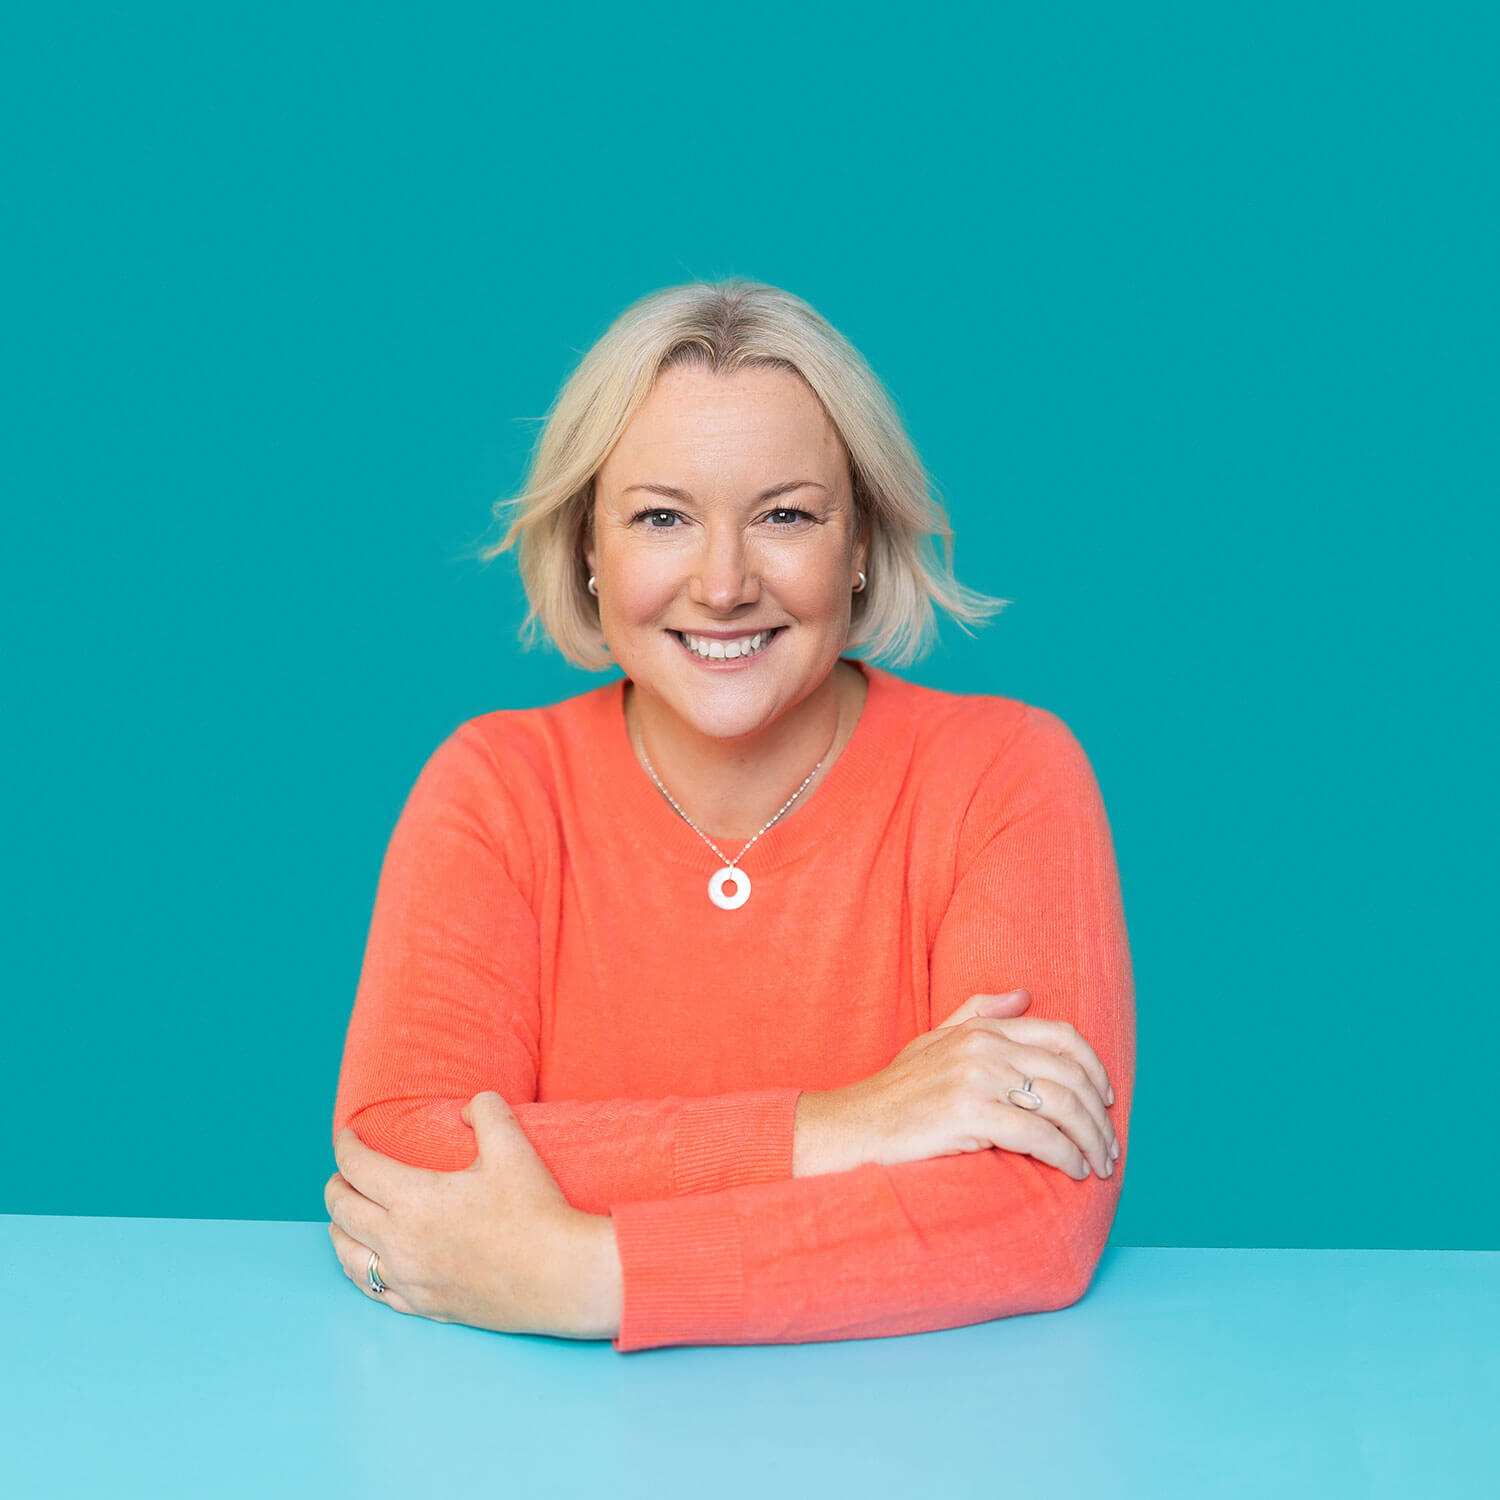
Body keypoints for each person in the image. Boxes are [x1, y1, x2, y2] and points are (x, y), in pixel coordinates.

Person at [326, 278, 1134, 1353]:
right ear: (587, 548)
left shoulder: (1005, 773)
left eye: (786, 516)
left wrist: (589, 1275)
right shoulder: (494, 786)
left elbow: (1035, 1215)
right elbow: (403, 1152)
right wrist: (850, 1125)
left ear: (859, 546)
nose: (721, 584)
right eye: (661, 517)